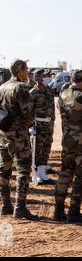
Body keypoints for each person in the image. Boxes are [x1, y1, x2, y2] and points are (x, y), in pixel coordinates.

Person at [0, 59, 38, 220]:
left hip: (3, 133)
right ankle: (20, 207)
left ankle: (5, 205)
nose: (28, 72)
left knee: (4, 169)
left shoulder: (2, 87)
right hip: (18, 135)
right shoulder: (21, 87)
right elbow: (28, 113)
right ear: (20, 70)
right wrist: (27, 124)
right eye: (26, 69)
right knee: (23, 169)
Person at [53, 70, 82, 223]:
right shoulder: (80, 97)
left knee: (65, 173)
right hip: (80, 141)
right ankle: (73, 211)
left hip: (67, 140)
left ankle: (58, 210)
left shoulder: (63, 94)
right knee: (80, 177)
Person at [29, 69, 55, 185]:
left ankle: (42, 173)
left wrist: (52, 122)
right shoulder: (33, 92)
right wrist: (30, 126)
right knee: (37, 151)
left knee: (46, 149)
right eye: (46, 76)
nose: (49, 78)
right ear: (39, 78)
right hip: (37, 124)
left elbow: (52, 108)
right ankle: (36, 174)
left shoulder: (49, 90)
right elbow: (28, 111)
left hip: (48, 125)